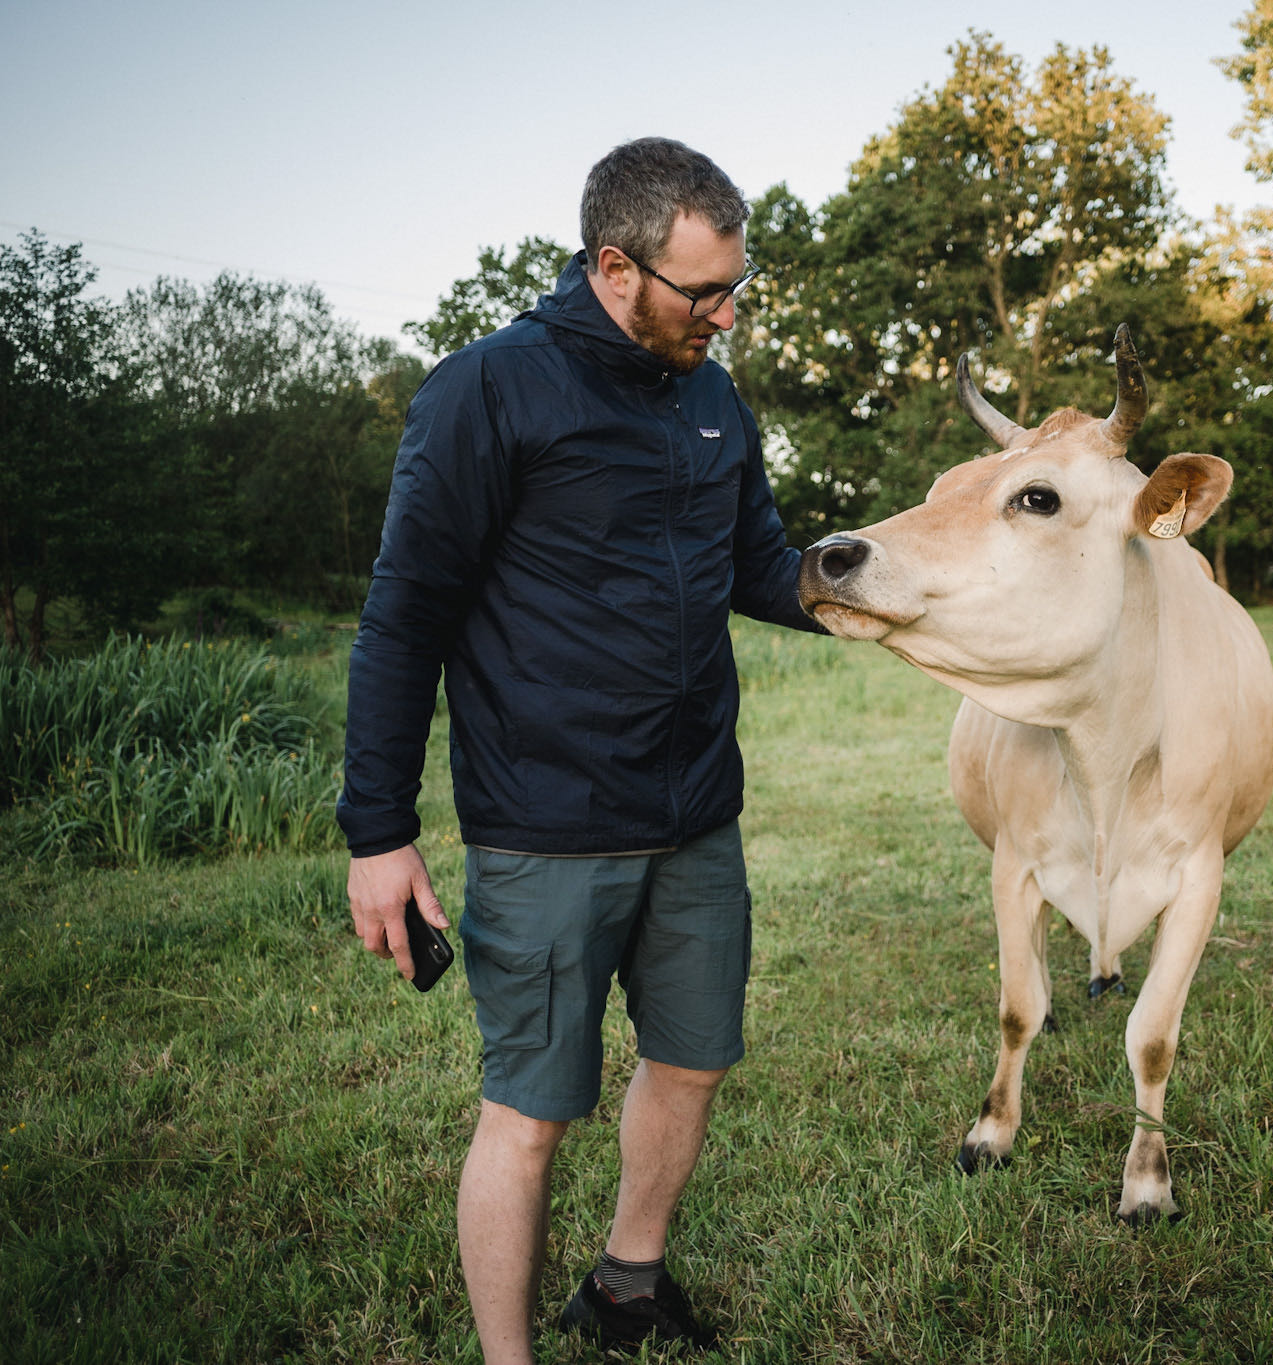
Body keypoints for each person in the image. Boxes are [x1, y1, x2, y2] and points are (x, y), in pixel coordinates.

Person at [337, 137, 822, 1362]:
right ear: (615, 268)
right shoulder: (487, 390)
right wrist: (377, 834)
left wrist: (902, 584)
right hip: (547, 826)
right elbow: (404, 618)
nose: (725, 317)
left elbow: (761, 567)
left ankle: (625, 1286)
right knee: (532, 1111)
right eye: (702, 294)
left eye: (736, 289)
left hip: (695, 814)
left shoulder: (713, 398)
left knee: (692, 1061)